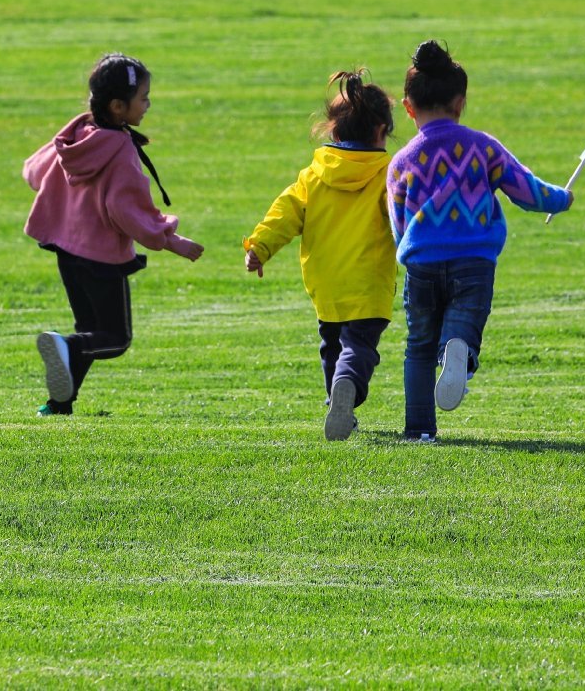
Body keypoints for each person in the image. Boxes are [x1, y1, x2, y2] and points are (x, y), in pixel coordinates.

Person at [387, 40, 573, 443]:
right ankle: (459, 349)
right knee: (464, 320)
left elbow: (397, 219)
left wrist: (409, 249)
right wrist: (560, 199)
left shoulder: (402, 160)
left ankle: (419, 430)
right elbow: (525, 188)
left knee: (417, 346)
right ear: (461, 101)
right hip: (474, 257)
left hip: (421, 262)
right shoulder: (482, 147)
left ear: (408, 107)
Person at [23, 53, 204, 415]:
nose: (148, 105)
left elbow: (34, 171)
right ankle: (65, 348)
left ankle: (58, 405)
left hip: (66, 251)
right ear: (118, 106)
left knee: (89, 331)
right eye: (144, 98)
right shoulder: (119, 147)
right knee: (114, 338)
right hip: (101, 257)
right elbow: (126, 210)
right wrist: (170, 240)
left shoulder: (77, 134)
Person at [243, 70, 398, 441]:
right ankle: (346, 387)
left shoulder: (313, 176)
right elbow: (403, 216)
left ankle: (336, 400)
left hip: (325, 284)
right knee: (359, 348)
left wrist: (259, 247)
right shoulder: (388, 174)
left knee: (332, 344)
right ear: (381, 132)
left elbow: (284, 212)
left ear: (334, 131)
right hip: (369, 283)